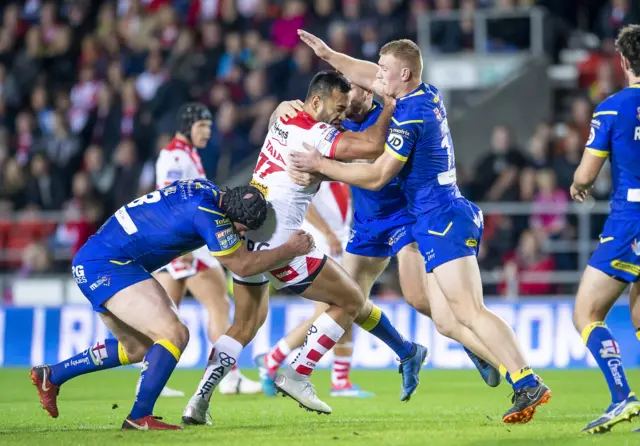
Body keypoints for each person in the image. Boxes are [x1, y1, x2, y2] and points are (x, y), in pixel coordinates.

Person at [292, 31, 552, 424]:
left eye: (384, 71)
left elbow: (379, 176)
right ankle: (510, 372)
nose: (376, 78)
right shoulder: (424, 93)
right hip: (433, 217)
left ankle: (527, 381)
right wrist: (330, 56)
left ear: (405, 73)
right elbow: (364, 71)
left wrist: (320, 165)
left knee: (470, 310)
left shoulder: (409, 116)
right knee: (448, 320)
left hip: (442, 216)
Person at [182, 71, 427, 424]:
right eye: (338, 107)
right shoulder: (314, 132)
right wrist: (389, 105)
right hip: (283, 240)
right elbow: (373, 146)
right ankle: (299, 372)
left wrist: (323, 168)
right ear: (317, 102)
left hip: (249, 235)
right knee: (351, 300)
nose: (341, 116)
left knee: (245, 324)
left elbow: (292, 137)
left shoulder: (284, 119)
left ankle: (198, 400)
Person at [258, 84, 502, 399]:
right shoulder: (337, 120)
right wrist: (282, 107)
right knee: (346, 300)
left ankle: (483, 351)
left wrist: (322, 168)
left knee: (416, 298)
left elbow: (371, 163)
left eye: (360, 91)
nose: (352, 99)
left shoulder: (392, 120)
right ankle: (384, 360)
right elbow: (292, 131)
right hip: (365, 223)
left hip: (403, 216)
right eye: (347, 95)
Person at [30, 180, 314, 430]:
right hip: (109, 265)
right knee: (174, 334)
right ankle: (139, 417)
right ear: (232, 215)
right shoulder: (209, 215)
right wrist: (288, 249)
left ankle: (52, 375)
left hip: (99, 258)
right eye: (241, 229)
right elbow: (242, 264)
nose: (241, 235)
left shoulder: (206, 188)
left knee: (138, 347)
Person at [152, 102, 296, 397]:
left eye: (208, 126)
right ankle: (229, 377)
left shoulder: (185, 154)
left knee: (167, 314)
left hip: (179, 243)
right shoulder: (175, 156)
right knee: (218, 306)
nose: (207, 131)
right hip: (188, 243)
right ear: (187, 126)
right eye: (202, 126)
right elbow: (169, 199)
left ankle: (153, 377)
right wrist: (181, 247)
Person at [570, 24, 640, 434]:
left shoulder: (612, 108)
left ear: (625, 62)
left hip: (631, 220)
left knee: (586, 313)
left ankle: (622, 397)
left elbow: (585, 173)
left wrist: (580, 186)